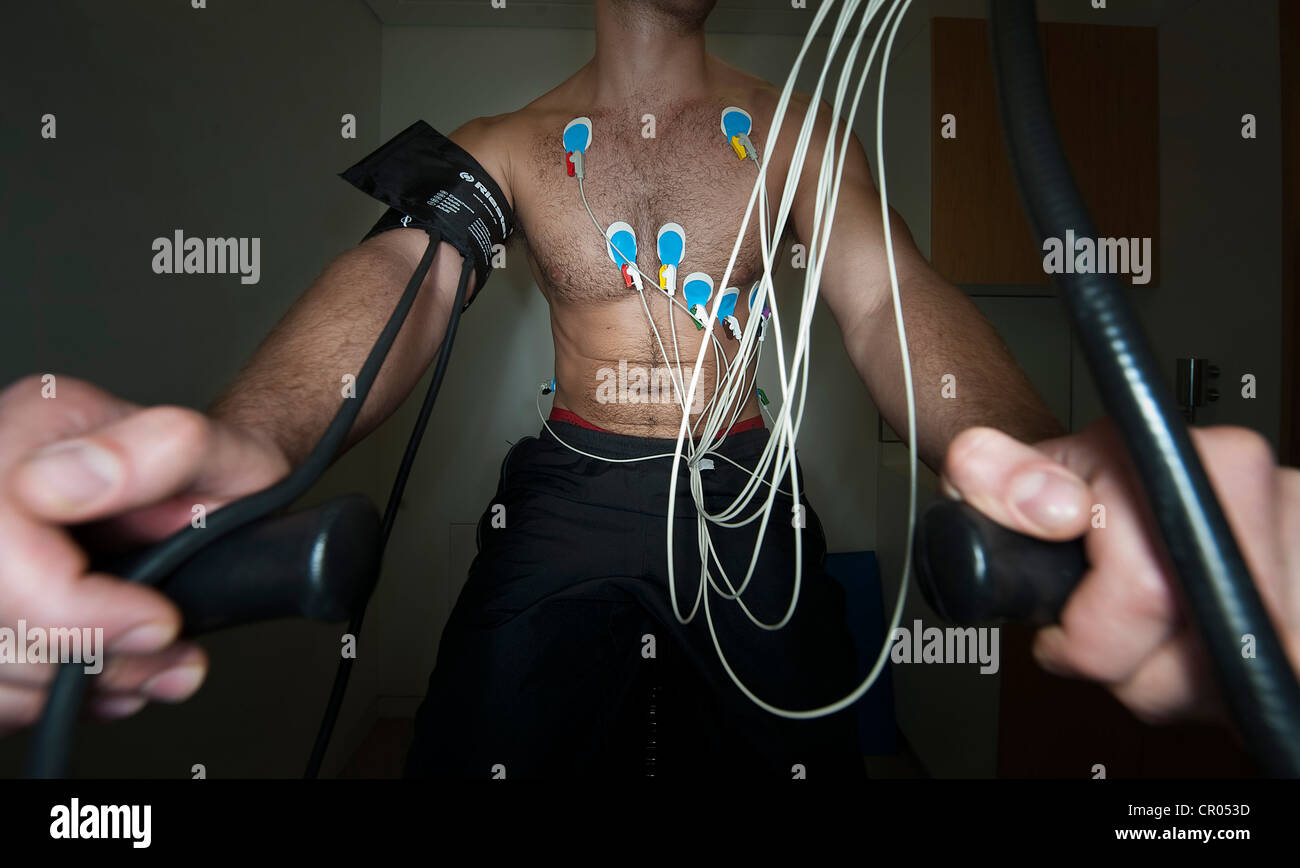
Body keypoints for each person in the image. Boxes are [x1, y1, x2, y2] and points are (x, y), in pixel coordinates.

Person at [0, 0, 1295, 777]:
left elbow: (883, 300)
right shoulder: (501, 141)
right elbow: (404, 276)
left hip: (745, 485)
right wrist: (243, 440)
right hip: (567, 492)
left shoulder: (796, 133)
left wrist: (1032, 455)